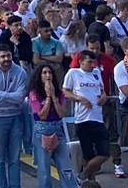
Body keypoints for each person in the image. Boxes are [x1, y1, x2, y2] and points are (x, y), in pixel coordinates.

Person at [0, 48, 31, 188]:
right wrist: (12, 96)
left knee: (15, 159)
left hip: (16, 117)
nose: (6, 59)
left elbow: (21, 97)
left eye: (8, 56)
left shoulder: (20, 72)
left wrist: (2, 94)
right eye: (3, 56)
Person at [27, 61, 78, 188]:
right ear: (39, 76)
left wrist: (54, 97)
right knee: (44, 171)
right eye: (44, 73)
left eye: (49, 72)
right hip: (42, 131)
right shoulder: (34, 93)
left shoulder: (60, 93)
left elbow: (62, 114)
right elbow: (42, 115)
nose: (48, 75)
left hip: (58, 129)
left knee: (66, 168)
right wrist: (48, 98)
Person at [65, 48, 111, 185]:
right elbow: (65, 92)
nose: (92, 65)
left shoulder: (96, 73)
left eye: (94, 62)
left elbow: (102, 91)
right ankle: (90, 182)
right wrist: (79, 98)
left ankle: (82, 175)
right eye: (89, 62)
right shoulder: (73, 73)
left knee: (104, 152)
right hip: (83, 119)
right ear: (81, 62)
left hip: (97, 117)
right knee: (88, 154)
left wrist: (103, 97)